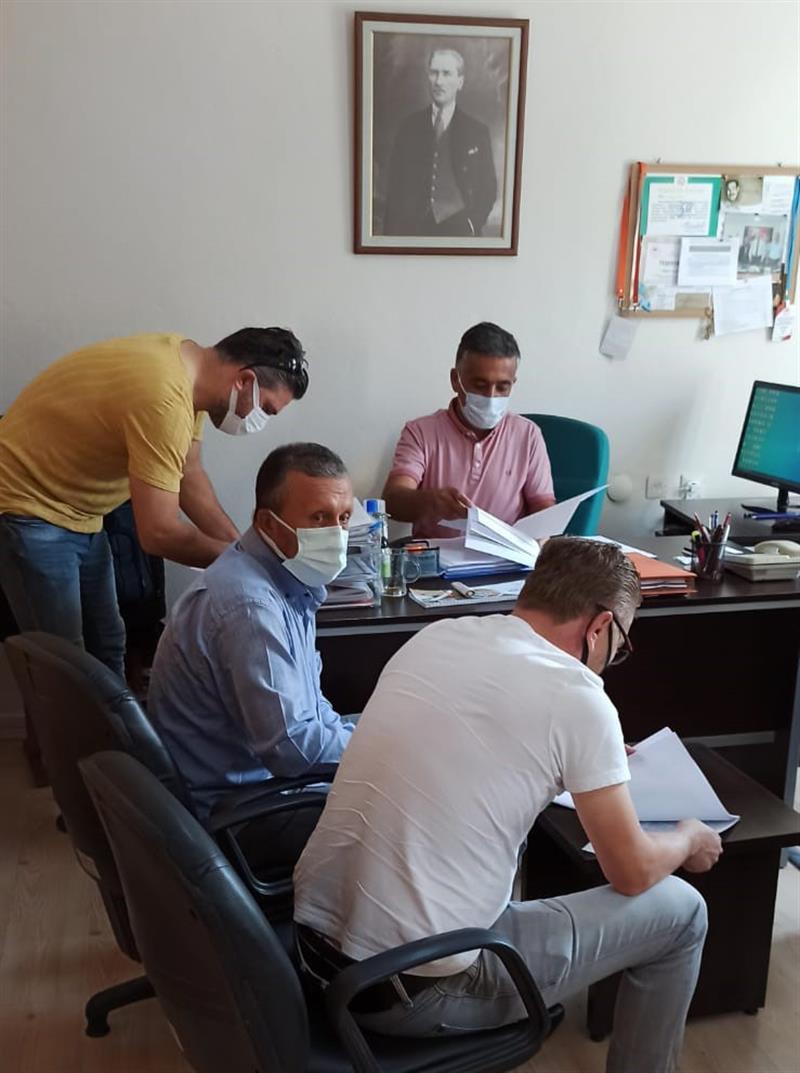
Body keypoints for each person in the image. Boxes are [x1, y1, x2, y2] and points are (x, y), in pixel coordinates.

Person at [294, 538, 721, 1073]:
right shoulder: (578, 697)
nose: (612, 662)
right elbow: (631, 872)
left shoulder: (438, 636)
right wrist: (688, 836)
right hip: (415, 992)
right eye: (620, 647)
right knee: (682, 912)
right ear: (600, 627)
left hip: (315, 955)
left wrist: (591, 756)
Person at [0, 327, 308, 678]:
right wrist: (250, 563)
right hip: (27, 506)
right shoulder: (164, 396)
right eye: (266, 408)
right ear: (244, 380)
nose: (261, 420)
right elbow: (159, 533)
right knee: (64, 664)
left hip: (80, 511)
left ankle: (108, 718)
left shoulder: (189, 374)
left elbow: (189, 474)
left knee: (108, 642)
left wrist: (244, 548)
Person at [148, 442, 355, 823]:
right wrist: (377, 750)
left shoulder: (285, 580)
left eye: (344, 518)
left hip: (264, 786)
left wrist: (365, 736)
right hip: (242, 813)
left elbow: (310, 707)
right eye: (319, 517)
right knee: (405, 814)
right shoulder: (250, 607)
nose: (337, 533)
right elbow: (291, 749)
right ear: (269, 524)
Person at [383, 321, 556, 539]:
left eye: (502, 387)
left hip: (505, 555)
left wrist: (540, 540)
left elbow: (542, 505)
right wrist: (430, 502)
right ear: (456, 380)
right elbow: (393, 500)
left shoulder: (528, 435)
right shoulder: (420, 432)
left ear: (513, 383)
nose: (491, 396)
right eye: (480, 385)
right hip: (436, 556)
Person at [383, 48, 497, 237]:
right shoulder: (408, 128)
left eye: (446, 73)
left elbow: (488, 188)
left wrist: (472, 224)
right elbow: (395, 189)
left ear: (460, 82)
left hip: (459, 231)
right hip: (413, 231)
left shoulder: (477, 132)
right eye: (434, 73)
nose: (439, 81)